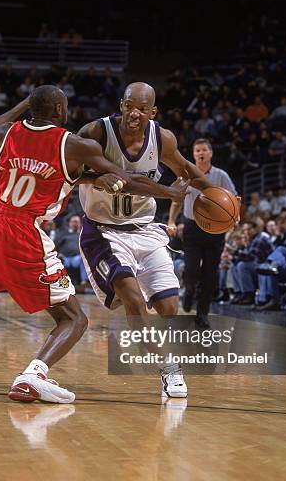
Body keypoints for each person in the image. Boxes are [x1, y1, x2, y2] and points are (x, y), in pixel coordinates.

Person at [0, 86, 162, 404]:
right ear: (58, 110)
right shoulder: (73, 143)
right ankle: (33, 376)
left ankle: (33, 377)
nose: (67, 111)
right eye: (64, 106)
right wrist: (174, 194)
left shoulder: (10, 133)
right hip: (23, 231)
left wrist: (23, 104)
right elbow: (125, 178)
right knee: (73, 318)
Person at [77, 82, 215, 398]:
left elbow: (185, 169)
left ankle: (163, 354)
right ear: (121, 104)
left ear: (153, 112)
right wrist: (95, 178)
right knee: (133, 299)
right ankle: (169, 370)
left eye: (142, 108)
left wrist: (217, 194)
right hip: (104, 231)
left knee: (168, 307)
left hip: (145, 228)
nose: (134, 113)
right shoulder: (96, 132)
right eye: (129, 105)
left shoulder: (162, 138)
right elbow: (67, 169)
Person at [168, 138, 238, 327]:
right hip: (192, 227)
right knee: (191, 271)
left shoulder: (221, 175)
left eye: (204, 150)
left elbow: (234, 197)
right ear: (193, 154)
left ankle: (203, 313)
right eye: (197, 150)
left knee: (210, 274)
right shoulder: (185, 175)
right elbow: (176, 200)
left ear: (210, 153)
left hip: (216, 229)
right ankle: (189, 291)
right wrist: (172, 221)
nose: (200, 153)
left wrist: (234, 216)